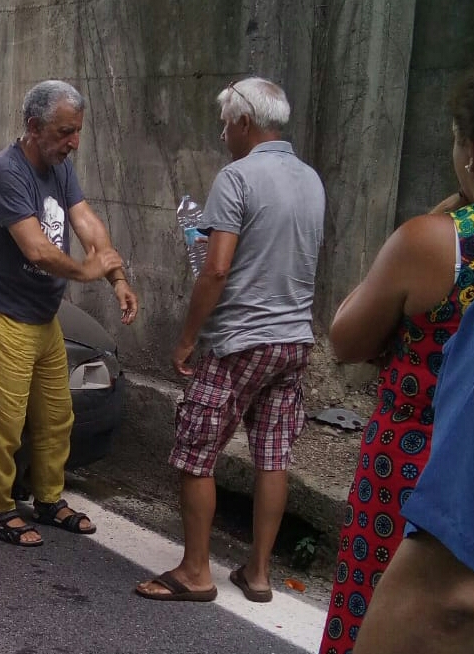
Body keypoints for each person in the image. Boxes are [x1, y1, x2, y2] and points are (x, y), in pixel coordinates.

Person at [306, 52, 474, 654]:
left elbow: (346, 338)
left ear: (472, 150)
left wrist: (427, 223)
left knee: (387, 615)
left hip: (414, 474)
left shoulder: (438, 241)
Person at [135, 77, 325, 601]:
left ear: (244, 121)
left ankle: (196, 572)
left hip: (240, 338)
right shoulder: (311, 180)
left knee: (196, 449)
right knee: (272, 454)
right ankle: (258, 573)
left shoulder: (237, 177)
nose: (223, 133)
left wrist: (187, 338)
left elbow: (215, 270)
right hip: (293, 341)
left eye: (225, 123)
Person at [0, 79, 139, 547]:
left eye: (77, 132)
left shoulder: (61, 168)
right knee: (5, 421)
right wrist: (86, 272)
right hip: (1, 314)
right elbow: (37, 248)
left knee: (55, 416)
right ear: (33, 127)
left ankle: (46, 498)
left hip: (42, 315)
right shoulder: (5, 172)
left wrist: (116, 278)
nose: (73, 143)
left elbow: (86, 223)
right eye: (64, 132)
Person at [335, 266, 474, 654]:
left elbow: (453, 599)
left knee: (377, 609)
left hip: (416, 474)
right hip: (443, 479)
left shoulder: (430, 241)